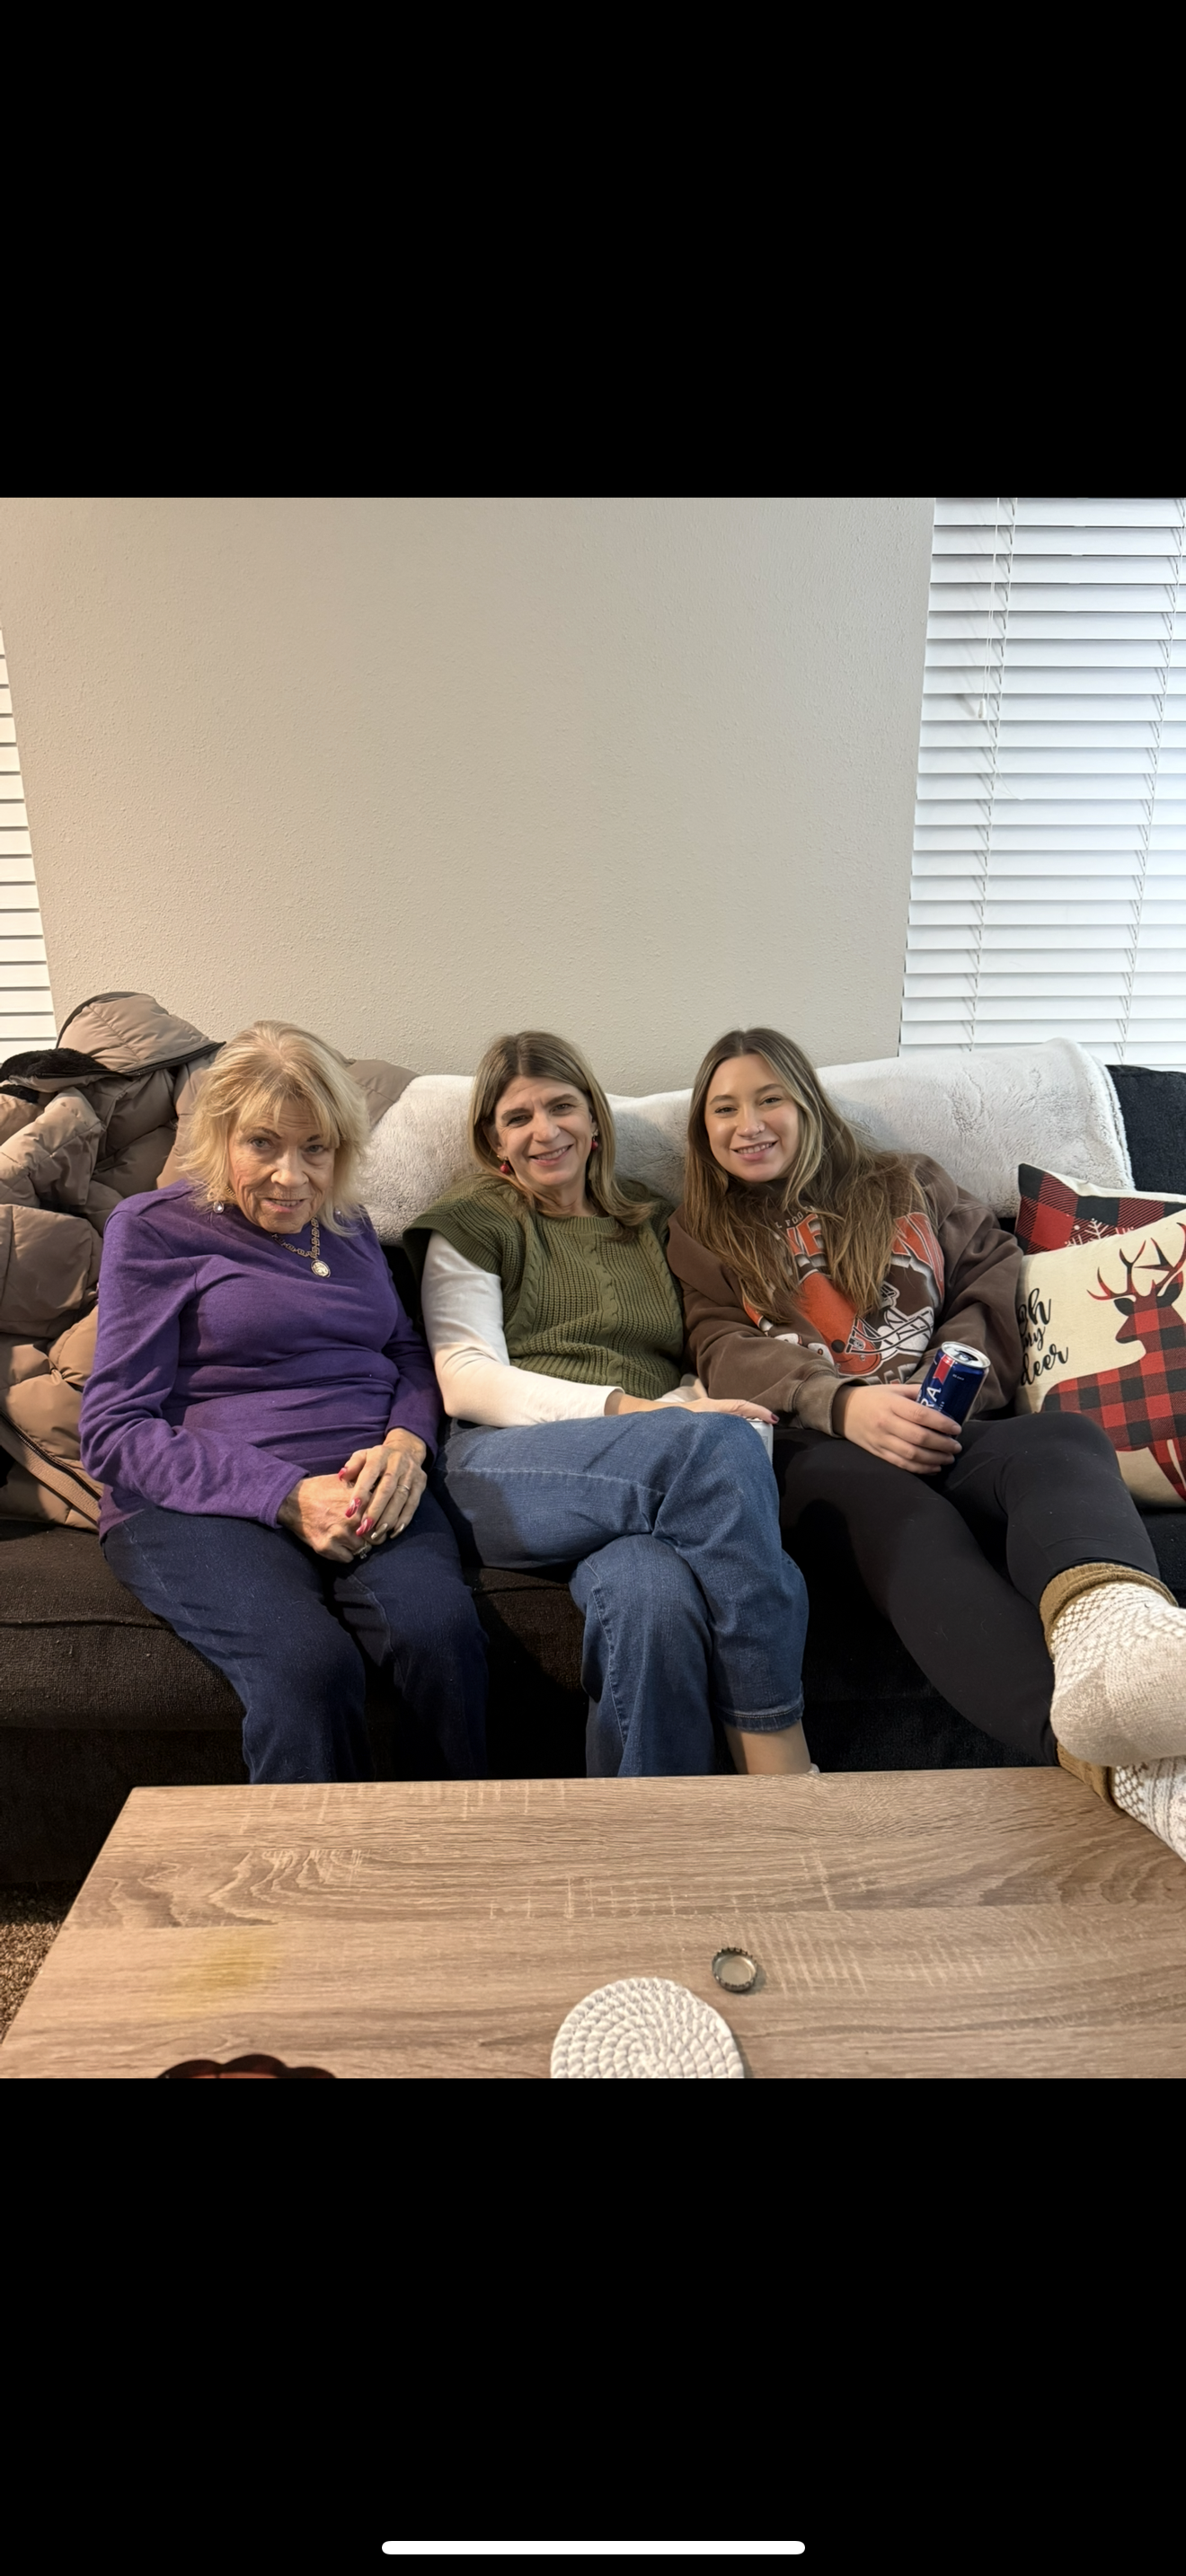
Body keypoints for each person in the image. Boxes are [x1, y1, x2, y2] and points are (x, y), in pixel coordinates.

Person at [666, 1026, 1186, 1852]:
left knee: (1064, 1441)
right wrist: (842, 1405)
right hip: (814, 1451)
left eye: (769, 1099)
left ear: (808, 1104)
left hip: (951, 1421)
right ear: (703, 1132)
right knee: (907, 1519)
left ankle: (1127, 1647)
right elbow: (721, 1347)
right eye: (723, 1110)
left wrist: (954, 1380)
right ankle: (1134, 1773)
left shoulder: (908, 1182)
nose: (748, 1124)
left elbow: (992, 1271)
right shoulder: (702, 1231)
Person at [80, 1022, 486, 1783]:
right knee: (308, 1668)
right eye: (262, 1144)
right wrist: (286, 1495)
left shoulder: (350, 1227)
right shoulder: (155, 1229)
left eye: (315, 1149)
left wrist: (407, 1444)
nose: (290, 1177)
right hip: (206, 1501)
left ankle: (446, 1851)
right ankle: (310, 1865)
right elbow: (112, 1430)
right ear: (220, 1137)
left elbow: (405, 1352)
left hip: (368, 1482)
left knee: (439, 1636)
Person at [403, 1030, 810, 1778]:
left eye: (561, 1107)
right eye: (518, 1118)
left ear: (594, 1118)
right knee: (715, 1446)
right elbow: (465, 1377)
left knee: (653, 1600)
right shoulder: (473, 1218)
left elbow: (695, 1356)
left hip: (641, 1471)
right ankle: (779, 1764)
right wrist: (642, 1414)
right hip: (501, 1470)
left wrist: (690, 1407)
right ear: (494, 1141)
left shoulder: (653, 1222)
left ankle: (648, 1835)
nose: (544, 1131)